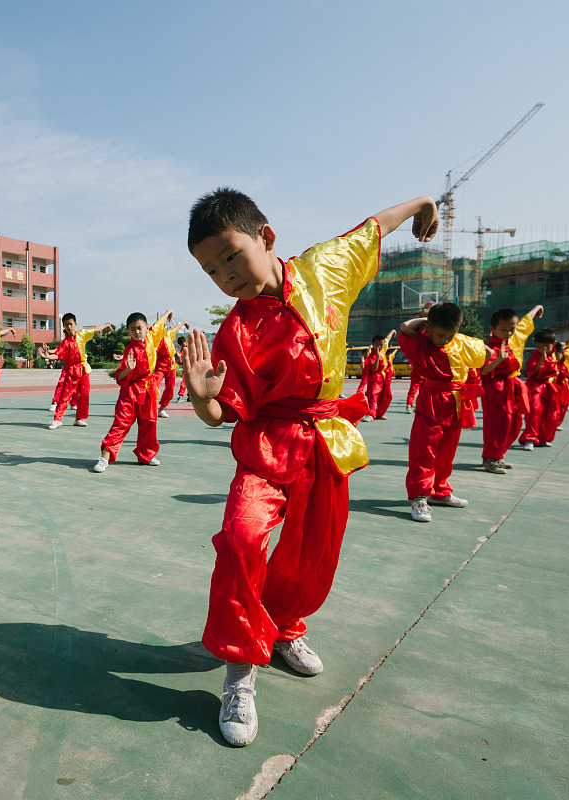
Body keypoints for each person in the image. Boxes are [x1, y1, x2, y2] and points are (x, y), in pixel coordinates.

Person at [182, 187, 439, 747]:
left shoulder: (325, 269)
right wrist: (202, 398)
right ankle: (239, 667)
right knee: (241, 538)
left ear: (266, 238)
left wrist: (421, 203)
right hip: (267, 445)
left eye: (231, 256)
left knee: (312, 553)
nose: (226, 276)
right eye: (211, 271)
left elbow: (371, 227)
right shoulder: (235, 332)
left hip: (325, 441)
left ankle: (282, 630)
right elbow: (219, 412)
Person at [400, 303, 497, 522]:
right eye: (441, 334)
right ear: (428, 327)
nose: (445, 340)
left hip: (456, 402)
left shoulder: (460, 340)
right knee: (423, 452)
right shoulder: (421, 342)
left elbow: (488, 353)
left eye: (450, 335)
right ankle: (419, 497)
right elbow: (405, 327)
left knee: (446, 453)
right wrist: (424, 323)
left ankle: (440, 492)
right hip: (432, 401)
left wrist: (458, 336)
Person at [93, 311, 172, 471]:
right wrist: (129, 369)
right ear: (128, 331)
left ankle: (146, 455)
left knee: (149, 424)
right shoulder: (129, 350)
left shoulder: (152, 336)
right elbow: (120, 378)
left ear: (146, 328)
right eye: (132, 329)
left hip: (149, 390)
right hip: (130, 393)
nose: (137, 332)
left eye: (139, 328)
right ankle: (105, 456)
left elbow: (160, 322)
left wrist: (168, 313)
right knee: (121, 424)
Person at [479, 305, 542, 473]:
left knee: (515, 423)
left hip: (512, 387)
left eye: (511, 329)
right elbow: (483, 372)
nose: (508, 332)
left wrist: (537, 308)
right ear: (492, 329)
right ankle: (491, 458)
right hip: (495, 389)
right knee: (498, 424)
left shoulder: (513, 338)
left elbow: (526, 321)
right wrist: (498, 360)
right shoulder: (488, 347)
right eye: (503, 329)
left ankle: (498, 454)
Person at [47, 314, 113, 430]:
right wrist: (46, 355)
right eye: (66, 324)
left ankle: (79, 419)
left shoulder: (82, 334)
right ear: (63, 326)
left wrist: (107, 325)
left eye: (71, 324)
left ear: (75, 324)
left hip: (83, 369)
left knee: (84, 395)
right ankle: (57, 419)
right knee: (65, 395)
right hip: (72, 371)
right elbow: (57, 354)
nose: (69, 326)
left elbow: (95, 329)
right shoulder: (65, 343)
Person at [518, 330, 559, 450]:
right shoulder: (535, 356)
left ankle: (543, 438)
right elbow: (532, 374)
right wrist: (541, 361)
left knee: (551, 414)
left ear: (553, 343)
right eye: (539, 346)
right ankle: (530, 438)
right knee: (534, 412)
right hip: (536, 387)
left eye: (546, 346)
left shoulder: (554, 355)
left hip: (550, 388)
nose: (543, 349)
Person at [155, 322, 190, 418]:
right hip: (161, 366)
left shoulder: (168, 334)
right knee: (155, 386)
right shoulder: (154, 340)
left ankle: (161, 409)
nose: (162, 330)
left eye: (163, 328)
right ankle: (150, 407)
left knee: (170, 389)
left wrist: (184, 323)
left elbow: (176, 328)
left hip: (171, 366)